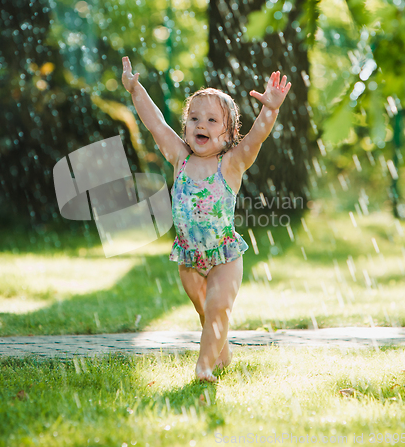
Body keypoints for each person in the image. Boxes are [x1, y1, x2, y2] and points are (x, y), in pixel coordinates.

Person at [122, 56, 291, 382]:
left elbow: (256, 137)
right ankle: (221, 353)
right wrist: (135, 88)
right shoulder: (179, 157)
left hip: (224, 256)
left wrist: (270, 110)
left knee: (217, 308)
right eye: (194, 118)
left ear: (229, 135)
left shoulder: (231, 163)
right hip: (189, 257)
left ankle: (203, 367)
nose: (201, 124)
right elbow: (155, 122)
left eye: (213, 120)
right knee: (205, 313)